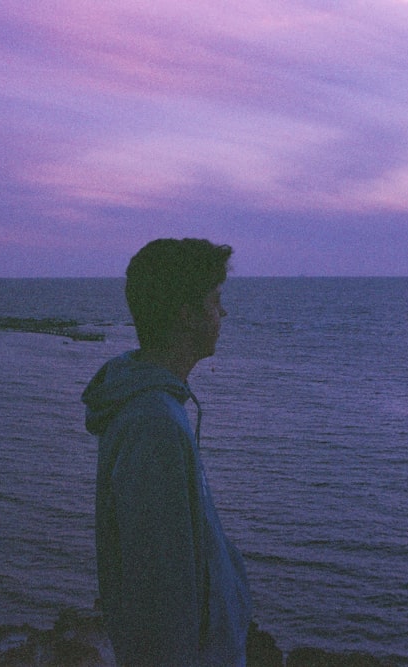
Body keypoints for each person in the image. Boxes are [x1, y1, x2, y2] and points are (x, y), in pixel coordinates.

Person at [82, 238, 252, 666]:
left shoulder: (157, 409)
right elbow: (161, 597)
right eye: (215, 301)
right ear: (186, 314)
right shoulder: (153, 425)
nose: (223, 314)